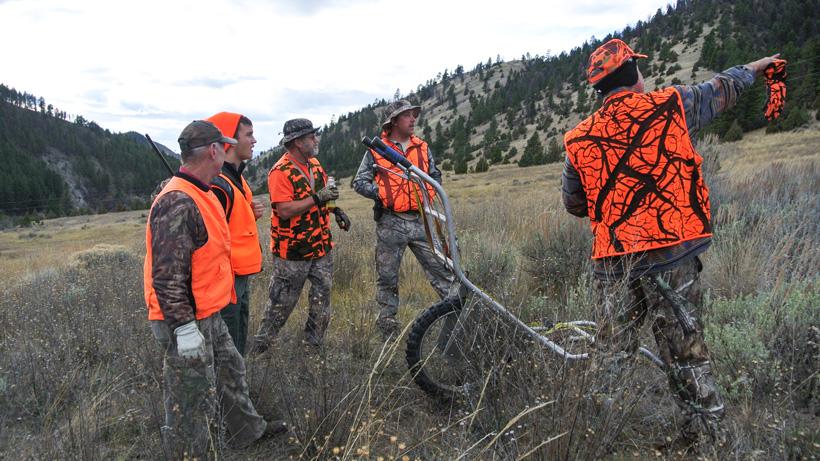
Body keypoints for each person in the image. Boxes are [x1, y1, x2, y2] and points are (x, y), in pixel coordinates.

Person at [561, 38, 780, 445]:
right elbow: (722, 89)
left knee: (610, 358)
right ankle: (711, 443)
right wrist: (758, 67)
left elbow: (574, 203)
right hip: (672, 255)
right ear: (633, 76)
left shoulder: (578, 139)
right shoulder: (672, 105)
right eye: (639, 70)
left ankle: (592, 443)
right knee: (687, 356)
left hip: (613, 263)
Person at [144, 120, 285, 458]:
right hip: (186, 320)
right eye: (223, 146)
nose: (226, 150)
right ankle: (189, 453)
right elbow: (167, 275)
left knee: (231, 370)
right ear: (213, 151)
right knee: (190, 400)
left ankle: (247, 433)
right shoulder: (178, 201)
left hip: (208, 312)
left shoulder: (201, 191)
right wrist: (184, 328)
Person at [352, 100, 456, 340]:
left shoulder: (422, 147)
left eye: (413, 115)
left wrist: (428, 193)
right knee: (387, 278)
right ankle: (387, 333)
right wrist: (381, 194)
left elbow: (435, 176)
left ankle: (456, 318)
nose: (413, 119)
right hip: (391, 223)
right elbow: (359, 182)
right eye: (407, 115)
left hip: (422, 221)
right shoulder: (377, 149)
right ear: (394, 121)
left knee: (443, 271)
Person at [251, 118, 350, 352]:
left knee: (322, 300)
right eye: (310, 137)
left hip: (321, 247)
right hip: (292, 252)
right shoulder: (280, 172)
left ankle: (313, 348)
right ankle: (259, 352)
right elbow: (284, 210)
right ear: (297, 142)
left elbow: (326, 196)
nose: (315, 140)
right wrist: (319, 198)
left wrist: (336, 210)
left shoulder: (315, 164)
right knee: (280, 305)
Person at [206, 112, 264, 356]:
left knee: (237, 342)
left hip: (240, 274)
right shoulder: (219, 183)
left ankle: (236, 388)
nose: (254, 141)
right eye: (248, 135)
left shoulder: (236, 179)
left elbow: (232, 222)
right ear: (229, 140)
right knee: (226, 349)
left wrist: (250, 215)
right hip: (226, 279)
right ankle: (226, 392)